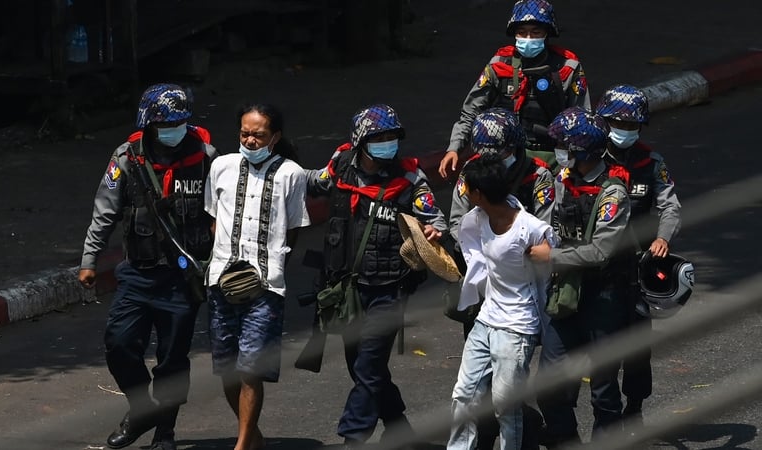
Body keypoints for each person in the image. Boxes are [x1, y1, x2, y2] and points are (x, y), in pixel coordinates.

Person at [78, 83, 218, 450]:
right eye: (165, 125)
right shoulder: (127, 158)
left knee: (172, 360)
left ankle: (165, 434)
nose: (173, 131)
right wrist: (90, 259)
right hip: (138, 274)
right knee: (120, 344)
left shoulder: (207, 158)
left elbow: (222, 212)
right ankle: (143, 410)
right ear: (148, 124)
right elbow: (104, 212)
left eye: (178, 123)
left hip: (183, 279)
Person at [306, 104, 447, 448]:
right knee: (361, 365)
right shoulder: (340, 166)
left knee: (369, 366)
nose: (387, 144)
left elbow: (435, 218)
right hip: (347, 288)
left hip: (389, 289)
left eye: (392, 137)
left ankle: (352, 438)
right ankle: (400, 428)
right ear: (360, 141)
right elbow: (313, 183)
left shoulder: (410, 179)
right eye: (379, 138)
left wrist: (432, 230)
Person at [204, 103, 311, 450]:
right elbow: (214, 218)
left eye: (259, 135)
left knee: (251, 369)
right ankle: (253, 437)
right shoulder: (221, 166)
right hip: (221, 281)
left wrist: (273, 263)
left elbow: (293, 227)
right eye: (245, 134)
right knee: (227, 368)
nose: (250, 140)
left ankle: (242, 445)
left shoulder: (291, 174)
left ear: (275, 137)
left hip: (266, 287)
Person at [447, 107, 553, 450]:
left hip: (517, 323)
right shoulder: (474, 195)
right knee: (465, 395)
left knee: (506, 404)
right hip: (485, 312)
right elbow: (457, 224)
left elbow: (550, 246)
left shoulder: (535, 194)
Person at [526, 107, 632, 446]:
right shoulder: (559, 181)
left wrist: (552, 258)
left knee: (603, 389)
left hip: (603, 296)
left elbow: (601, 252)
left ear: (581, 150)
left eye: (563, 145)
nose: (557, 151)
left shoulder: (612, 193)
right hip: (565, 294)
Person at [595, 85, 682, 423]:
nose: (625, 130)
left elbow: (670, 207)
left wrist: (662, 238)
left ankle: (634, 408)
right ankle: (603, 416)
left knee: (636, 348)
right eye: (618, 123)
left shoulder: (652, 163)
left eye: (632, 125)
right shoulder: (590, 159)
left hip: (637, 269)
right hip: (597, 267)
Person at [439, 0, 590, 179]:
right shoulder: (499, 65)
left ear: (547, 33)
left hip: (553, 158)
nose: (528, 38)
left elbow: (583, 120)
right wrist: (454, 148)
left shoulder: (568, 68)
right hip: (504, 155)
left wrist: (576, 161)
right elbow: (472, 111)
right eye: (522, 32)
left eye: (535, 32)